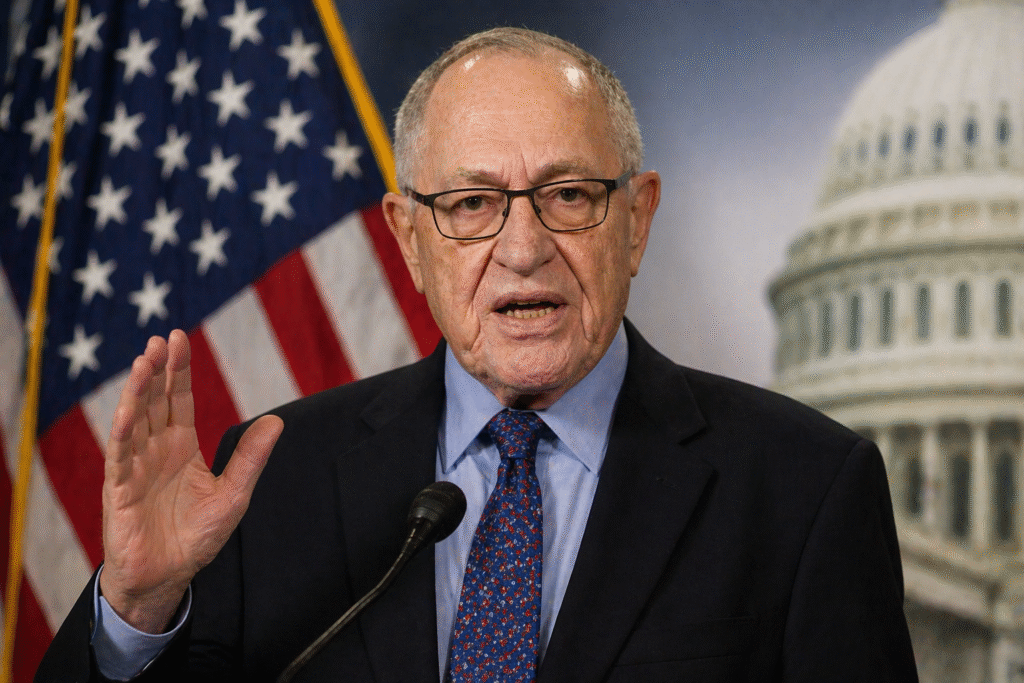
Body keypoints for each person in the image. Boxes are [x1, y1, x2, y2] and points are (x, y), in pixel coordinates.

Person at [36, 27, 918, 682]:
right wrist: (137, 608)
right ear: (408, 238)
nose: (523, 248)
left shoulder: (804, 488)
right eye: (471, 204)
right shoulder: (272, 480)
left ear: (637, 219)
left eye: (568, 195)